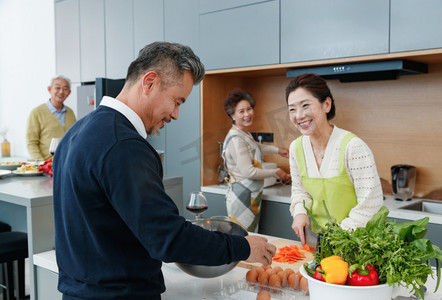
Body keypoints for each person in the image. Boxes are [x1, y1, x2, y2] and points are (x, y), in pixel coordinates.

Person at [52, 42, 276, 300]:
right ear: (149, 82)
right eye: (177, 101)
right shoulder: (125, 146)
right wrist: (241, 247)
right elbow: (167, 238)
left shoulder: (76, 132)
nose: (177, 115)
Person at [286, 74, 383, 245]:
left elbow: (371, 203)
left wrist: (337, 238)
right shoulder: (296, 148)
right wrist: (300, 212)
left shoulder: (353, 147)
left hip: (359, 246)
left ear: (327, 105)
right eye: (292, 109)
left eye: (305, 106)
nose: (299, 115)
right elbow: (300, 191)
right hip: (320, 245)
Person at [222, 88, 290, 232]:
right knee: (244, 243)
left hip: (250, 197)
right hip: (241, 200)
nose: (247, 114)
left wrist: (277, 150)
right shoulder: (236, 139)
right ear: (232, 115)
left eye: (249, 109)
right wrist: (276, 172)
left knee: (251, 242)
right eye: (241, 111)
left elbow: (254, 148)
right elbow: (249, 172)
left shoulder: (243, 134)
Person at [26, 75, 76, 160]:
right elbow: (31, 143)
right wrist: (41, 163)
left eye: (65, 88)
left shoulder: (70, 113)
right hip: (46, 164)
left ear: (69, 93)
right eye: (57, 88)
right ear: (49, 89)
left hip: (67, 163)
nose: (61, 91)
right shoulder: (36, 113)